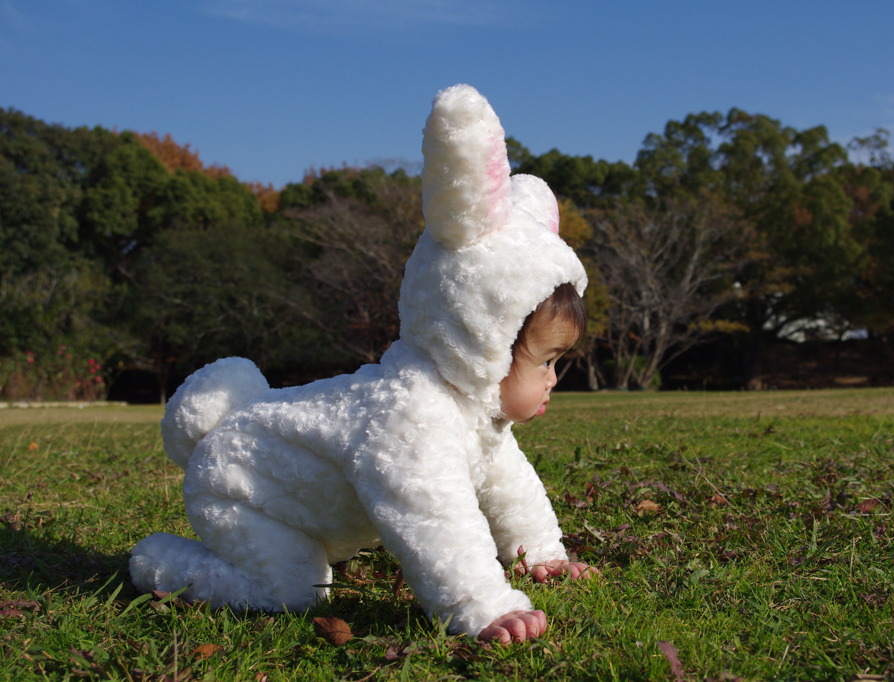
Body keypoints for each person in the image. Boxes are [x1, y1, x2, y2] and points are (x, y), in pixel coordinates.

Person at [130, 84, 596, 643]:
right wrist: (483, 604)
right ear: (480, 342)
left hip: (290, 490)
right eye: (545, 361)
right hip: (238, 482)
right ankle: (160, 562)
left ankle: (304, 541)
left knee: (320, 570)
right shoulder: (411, 418)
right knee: (293, 591)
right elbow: (431, 516)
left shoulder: (468, 407)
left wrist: (540, 552)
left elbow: (505, 480)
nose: (552, 380)